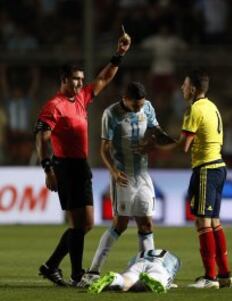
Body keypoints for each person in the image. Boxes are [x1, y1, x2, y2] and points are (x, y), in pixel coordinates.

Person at [34, 27, 131, 286]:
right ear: (64, 79)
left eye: (81, 79)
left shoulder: (81, 98)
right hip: (64, 167)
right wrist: (48, 169)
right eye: (75, 79)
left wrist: (119, 54)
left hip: (80, 165)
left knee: (86, 224)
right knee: (80, 225)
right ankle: (77, 275)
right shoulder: (54, 106)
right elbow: (42, 137)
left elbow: (104, 78)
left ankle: (51, 265)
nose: (80, 83)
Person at [79, 81, 176, 287]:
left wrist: (151, 144)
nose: (140, 108)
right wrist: (114, 172)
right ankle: (93, 271)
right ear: (125, 99)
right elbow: (103, 149)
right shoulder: (110, 114)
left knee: (146, 224)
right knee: (120, 224)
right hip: (122, 176)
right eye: (136, 105)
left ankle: (147, 271)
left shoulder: (148, 107)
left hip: (143, 174)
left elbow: (158, 134)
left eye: (141, 104)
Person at [159, 70, 232, 289]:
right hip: (219, 167)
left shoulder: (194, 108)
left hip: (206, 169)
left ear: (192, 89)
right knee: (215, 222)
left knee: (203, 222)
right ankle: (225, 274)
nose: (182, 88)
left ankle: (210, 277)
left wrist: (158, 145)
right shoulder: (211, 106)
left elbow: (185, 145)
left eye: (184, 85)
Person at [88, 249, 181, 294]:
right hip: (158, 265)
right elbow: (170, 271)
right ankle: (152, 280)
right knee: (160, 279)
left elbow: (130, 264)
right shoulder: (173, 258)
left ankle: (116, 278)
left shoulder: (143, 253)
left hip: (138, 264)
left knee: (127, 281)